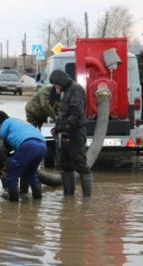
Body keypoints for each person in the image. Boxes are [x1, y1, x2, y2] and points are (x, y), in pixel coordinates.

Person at [49, 69, 93, 197]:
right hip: (66, 133)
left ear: (61, 80)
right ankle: (68, 197)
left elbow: (76, 112)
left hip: (75, 133)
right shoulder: (66, 91)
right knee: (66, 165)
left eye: (56, 83)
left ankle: (87, 199)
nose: (55, 86)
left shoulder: (76, 89)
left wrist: (67, 131)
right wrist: (57, 128)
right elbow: (64, 114)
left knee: (81, 164)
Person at [0, 111, 47, 202]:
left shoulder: (6, 122)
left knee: (12, 176)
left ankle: (13, 206)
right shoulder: (20, 122)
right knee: (32, 175)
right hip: (43, 146)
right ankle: (38, 202)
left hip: (28, 145)